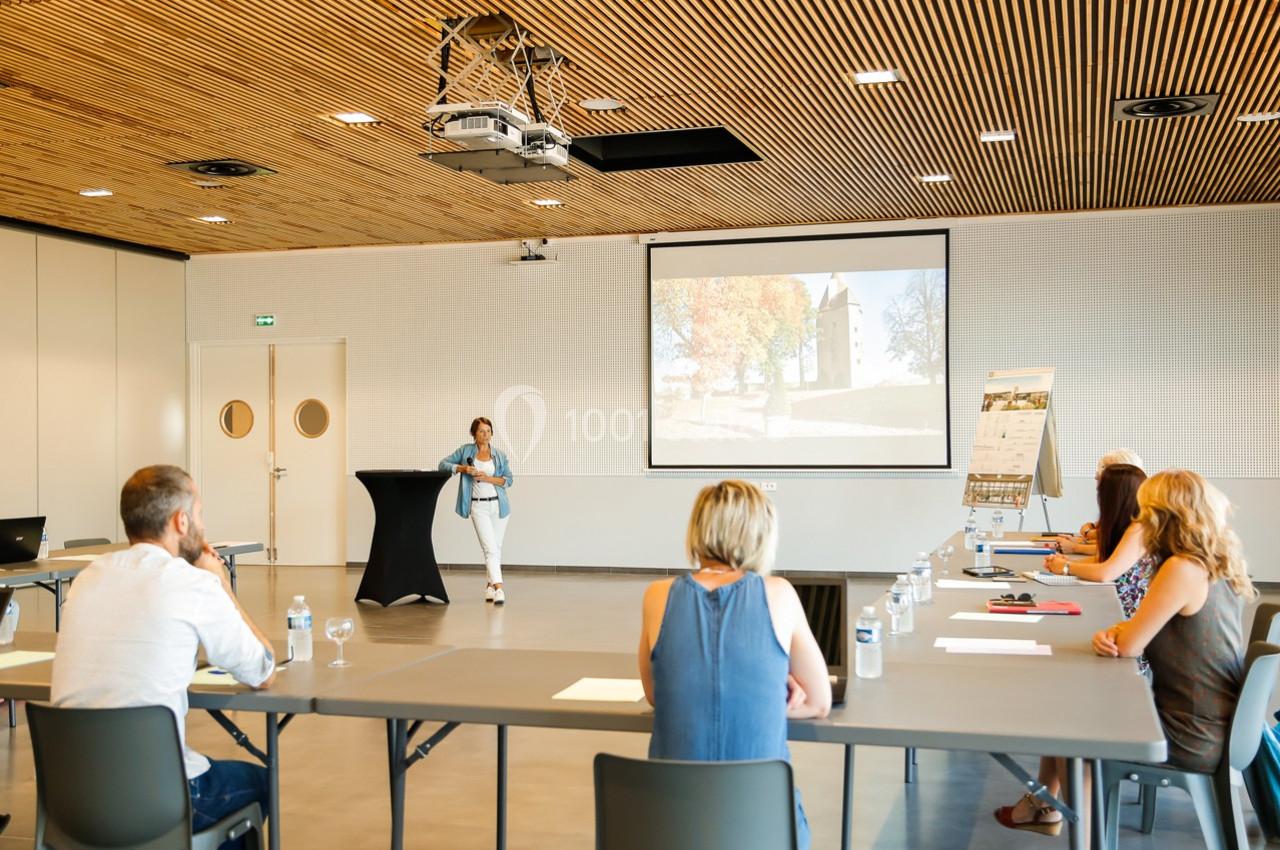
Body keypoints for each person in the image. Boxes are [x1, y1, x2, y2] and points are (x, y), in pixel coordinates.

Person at [51, 465, 277, 849]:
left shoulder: (87, 578)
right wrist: (221, 584)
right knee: (260, 782)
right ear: (181, 520)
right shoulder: (193, 583)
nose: (204, 525)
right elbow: (262, 669)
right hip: (159, 795)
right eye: (201, 514)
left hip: (71, 794)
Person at [638, 480, 830, 850]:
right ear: (760, 533)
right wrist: (761, 692)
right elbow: (818, 702)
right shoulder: (780, 594)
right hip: (764, 828)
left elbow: (656, 694)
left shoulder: (657, 596)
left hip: (671, 827)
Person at [995, 463, 1157, 835]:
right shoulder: (1129, 527)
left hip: (1135, 658)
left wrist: (1065, 565)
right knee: (1060, 704)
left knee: (1066, 707)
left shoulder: (1139, 528)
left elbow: (1105, 573)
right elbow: (1103, 561)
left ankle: (1054, 814)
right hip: (1124, 638)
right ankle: (1042, 804)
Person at [1093, 469, 1252, 773]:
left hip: (1188, 735)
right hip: (1215, 727)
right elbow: (1155, 629)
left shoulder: (1181, 568)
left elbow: (1128, 647)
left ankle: (1054, 812)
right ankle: (1049, 810)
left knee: (1076, 729)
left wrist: (1118, 636)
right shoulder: (1216, 563)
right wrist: (1118, 631)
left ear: (1160, 516)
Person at [440, 417, 514, 604]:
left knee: (496, 548)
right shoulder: (465, 451)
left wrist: (488, 478)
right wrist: (463, 468)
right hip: (478, 506)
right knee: (489, 548)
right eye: (481, 431)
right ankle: (499, 588)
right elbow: (443, 465)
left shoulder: (499, 455)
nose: (486, 435)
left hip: (499, 506)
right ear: (474, 433)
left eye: (488, 431)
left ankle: (489, 587)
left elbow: (509, 480)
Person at [1053, 448, 1145, 556]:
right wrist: (1083, 540)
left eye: (1101, 478)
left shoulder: (1140, 514)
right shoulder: (1126, 504)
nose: (1097, 484)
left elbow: (1115, 552)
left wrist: (1075, 549)